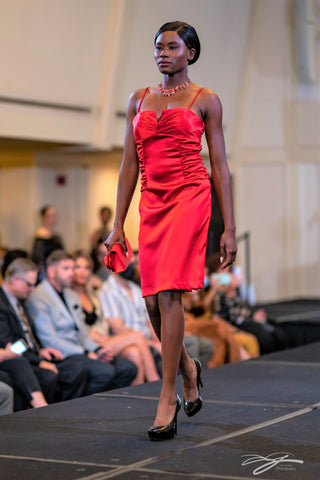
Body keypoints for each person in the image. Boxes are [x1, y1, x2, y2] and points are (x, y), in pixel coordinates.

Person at [105, 21, 237, 440]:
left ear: (190, 53)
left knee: (168, 293)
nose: (162, 53)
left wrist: (229, 228)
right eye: (158, 47)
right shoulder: (138, 99)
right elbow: (130, 164)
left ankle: (167, 397)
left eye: (172, 46)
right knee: (151, 303)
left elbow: (220, 167)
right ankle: (187, 367)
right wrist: (117, 224)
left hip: (190, 198)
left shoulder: (206, 100)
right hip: (153, 201)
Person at [26, 250, 137, 394]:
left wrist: (97, 349)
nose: (72, 273)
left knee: (128, 368)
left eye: (72, 268)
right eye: (66, 269)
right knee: (105, 372)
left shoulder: (71, 294)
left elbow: (83, 332)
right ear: (52, 271)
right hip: (63, 355)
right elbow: (50, 340)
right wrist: (85, 352)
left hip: (81, 349)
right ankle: (85, 408)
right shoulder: (38, 297)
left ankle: (107, 405)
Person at [0, 258, 89, 407]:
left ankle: (66, 411)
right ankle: (44, 412)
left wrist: (41, 351)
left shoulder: (18, 300)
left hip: (27, 356)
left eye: (34, 284)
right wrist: (38, 360)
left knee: (76, 369)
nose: (32, 289)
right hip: (17, 359)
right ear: (15, 279)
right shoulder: (2, 303)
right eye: (29, 284)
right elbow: (10, 344)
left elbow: (26, 337)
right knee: (48, 376)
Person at [72, 250, 160, 384]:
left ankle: (137, 398)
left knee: (134, 352)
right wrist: (93, 335)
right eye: (77, 267)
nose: (82, 271)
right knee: (137, 336)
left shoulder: (92, 295)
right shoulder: (69, 296)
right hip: (88, 342)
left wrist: (101, 334)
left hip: (103, 338)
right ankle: (156, 383)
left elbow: (103, 322)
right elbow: (75, 326)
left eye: (86, 267)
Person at [31, 205, 64, 280]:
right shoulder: (40, 237)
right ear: (43, 217)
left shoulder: (56, 237)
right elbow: (38, 260)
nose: (54, 218)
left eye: (55, 215)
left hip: (57, 271)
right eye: (50, 215)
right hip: (46, 275)